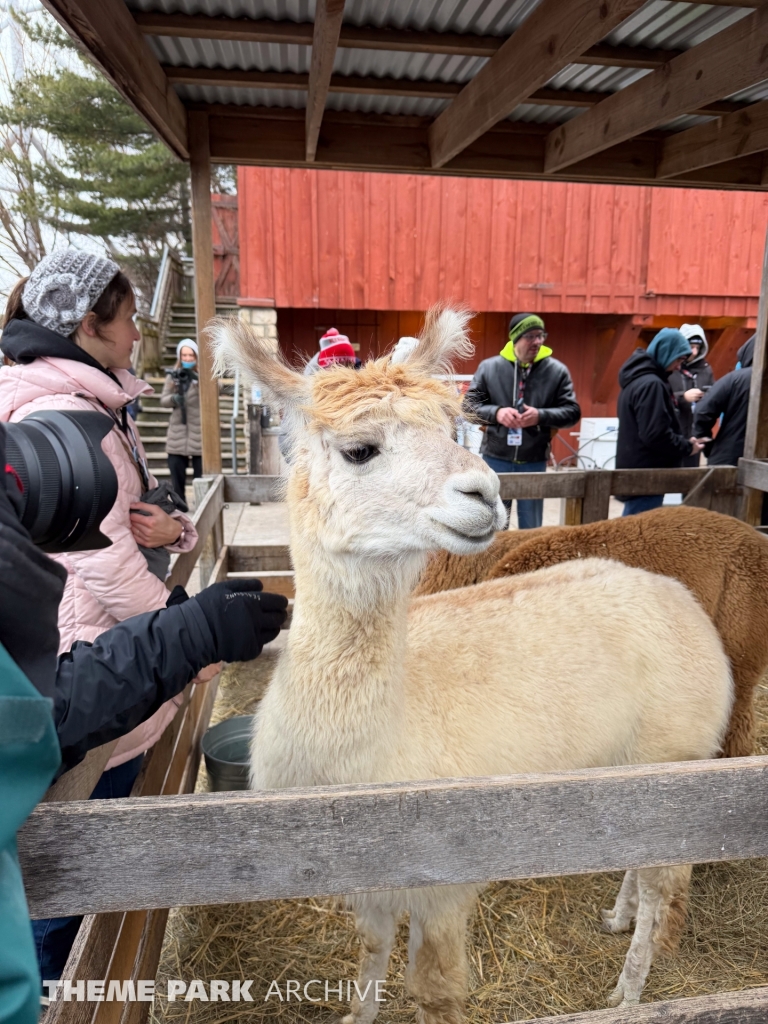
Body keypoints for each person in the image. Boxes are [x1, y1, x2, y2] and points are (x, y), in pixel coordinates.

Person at [0, 433, 287, 1024]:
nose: (136, 333)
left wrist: (183, 627)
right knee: (56, 900)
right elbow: (30, 721)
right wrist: (183, 630)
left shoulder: (111, 417)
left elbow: (33, 705)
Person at [0, 250, 202, 977]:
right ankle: (53, 992)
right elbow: (101, 560)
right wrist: (185, 637)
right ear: (90, 325)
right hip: (91, 669)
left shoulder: (98, 407)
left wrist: (178, 532)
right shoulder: (61, 417)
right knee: (66, 872)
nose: (139, 332)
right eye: (128, 319)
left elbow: (145, 519)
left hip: (109, 659)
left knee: (93, 848)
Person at [465, 313, 580, 529]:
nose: (537, 342)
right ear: (515, 338)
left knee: (532, 527)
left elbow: (572, 412)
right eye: (530, 336)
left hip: (534, 459)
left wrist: (540, 416)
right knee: (496, 524)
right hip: (496, 458)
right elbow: (468, 408)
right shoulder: (489, 368)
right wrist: (497, 413)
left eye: (541, 335)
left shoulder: (557, 371)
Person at [616, 328, 708, 516]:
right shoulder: (652, 385)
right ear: (667, 354)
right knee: (639, 533)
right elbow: (655, 434)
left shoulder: (636, 380)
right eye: (678, 360)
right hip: (646, 474)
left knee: (633, 527)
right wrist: (686, 447)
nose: (678, 367)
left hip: (634, 469)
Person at [692, 335, 754, 467]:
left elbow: (703, 410)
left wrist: (708, 445)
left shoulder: (735, 379)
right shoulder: (738, 379)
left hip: (728, 457)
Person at [668, 323, 715, 466]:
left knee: (691, 476)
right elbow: (661, 398)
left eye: (697, 348)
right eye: (690, 347)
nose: (694, 352)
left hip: (695, 434)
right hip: (673, 433)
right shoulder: (671, 368)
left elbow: (714, 394)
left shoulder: (706, 370)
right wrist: (683, 397)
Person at [162, 338, 202, 500]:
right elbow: (163, 400)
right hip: (177, 434)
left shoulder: (202, 375)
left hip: (199, 433)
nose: (187, 359)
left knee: (201, 476)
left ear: (196, 356)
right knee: (176, 472)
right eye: (184, 355)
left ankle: (201, 502)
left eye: (190, 355)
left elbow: (217, 388)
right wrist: (174, 399)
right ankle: (180, 504)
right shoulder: (173, 377)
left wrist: (197, 378)